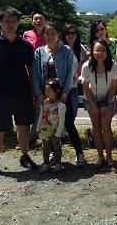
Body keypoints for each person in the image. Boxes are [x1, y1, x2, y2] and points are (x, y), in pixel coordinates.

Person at [0, 7, 36, 179]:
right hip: (0, 94)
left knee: (23, 127)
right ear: (0, 22)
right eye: (7, 21)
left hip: (22, 92)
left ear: (18, 23)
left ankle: (24, 156)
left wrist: (34, 89)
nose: (11, 24)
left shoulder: (25, 45)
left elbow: (31, 68)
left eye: (14, 21)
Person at [33, 22, 86, 167]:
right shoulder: (39, 52)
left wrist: (65, 91)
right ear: (43, 34)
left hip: (63, 93)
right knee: (48, 124)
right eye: (47, 33)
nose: (50, 36)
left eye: (53, 33)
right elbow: (35, 75)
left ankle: (79, 153)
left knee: (68, 123)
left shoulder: (66, 50)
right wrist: (39, 93)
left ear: (58, 35)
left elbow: (70, 72)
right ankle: (53, 154)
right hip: (47, 94)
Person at [81, 39, 117, 168]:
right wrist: (94, 105)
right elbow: (86, 87)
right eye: (97, 50)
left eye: (103, 50)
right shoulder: (87, 66)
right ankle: (100, 157)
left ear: (108, 52)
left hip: (108, 97)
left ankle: (109, 157)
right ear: (92, 51)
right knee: (96, 127)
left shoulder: (113, 65)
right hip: (91, 97)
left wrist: (105, 104)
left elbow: (114, 86)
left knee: (106, 126)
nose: (100, 53)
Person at [84, 20, 117, 148]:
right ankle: (95, 138)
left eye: (102, 29)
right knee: (98, 122)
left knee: (108, 117)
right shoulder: (91, 47)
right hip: (96, 86)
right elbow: (89, 64)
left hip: (111, 81)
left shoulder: (114, 42)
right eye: (96, 30)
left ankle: (99, 139)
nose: (99, 32)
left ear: (106, 29)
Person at [23, 10, 48, 146]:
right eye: (35, 19)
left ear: (45, 21)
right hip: (27, 73)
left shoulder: (49, 35)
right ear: (32, 21)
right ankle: (25, 136)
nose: (38, 21)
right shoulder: (27, 35)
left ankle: (33, 137)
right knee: (27, 106)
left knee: (40, 106)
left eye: (41, 18)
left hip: (44, 75)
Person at [36, 78, 66, 174]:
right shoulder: (44, 103)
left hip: (55, 130)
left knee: (56, 146)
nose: (47, 93)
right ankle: (45, 163)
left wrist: (58, 133)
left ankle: (58, 163)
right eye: (45, 90)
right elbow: (41, 115)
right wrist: (38, 128)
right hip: (45, 129)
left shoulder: (60, 106)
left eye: (49, 90)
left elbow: (61, 121)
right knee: (45, 147)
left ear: (57, 91)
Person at [61, 24, 88, 120]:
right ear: (64, 34)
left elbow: (88, 58)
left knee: (73, 112)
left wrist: (81, 67)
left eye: (73, 33)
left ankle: (68, 133)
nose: (71, 35)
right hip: (60, 86)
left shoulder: (80, 48)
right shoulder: (59, 47)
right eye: (68, 33)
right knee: (59, 113)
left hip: (73, 86)